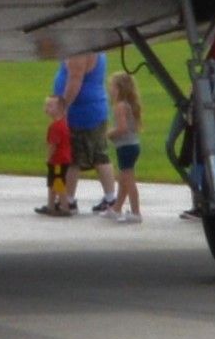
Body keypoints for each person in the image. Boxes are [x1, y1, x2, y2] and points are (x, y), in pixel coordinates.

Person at [37, 53, 95, 216]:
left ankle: (61, 206)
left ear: (59, 109)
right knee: (55, 183)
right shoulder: (63, 124)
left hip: (57, 160)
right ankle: (55, 205)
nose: (46, 109)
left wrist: (48, 157)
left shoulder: (56, 126)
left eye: (49, 106)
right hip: (63, 159)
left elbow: (53, 145)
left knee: (56, 183)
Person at [100, 60, 146, 220]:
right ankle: (117, 208)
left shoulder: (120, 106)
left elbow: (122, 128)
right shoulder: (128, 104)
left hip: (126, 147)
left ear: (119, 88)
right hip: (130, 146)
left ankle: (135, 212)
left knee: (128, 180)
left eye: (111, 86)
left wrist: (107, 134)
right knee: (124, 179)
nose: (109, 89)